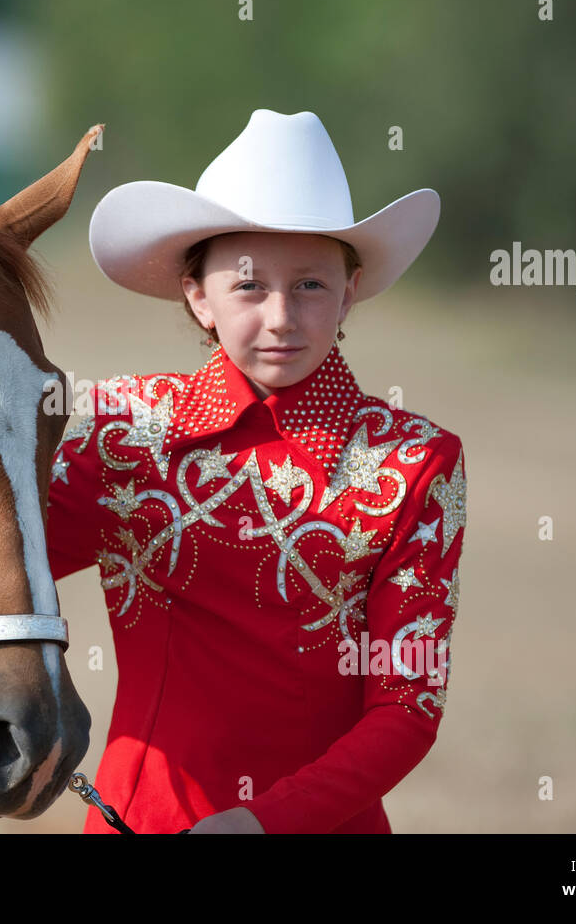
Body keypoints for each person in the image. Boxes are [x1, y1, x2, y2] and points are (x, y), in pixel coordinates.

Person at [45, 109, 467, 834]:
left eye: (309, 284)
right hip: (140, 821)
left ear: (350, 290)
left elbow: (408, 705)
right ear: (197, 295)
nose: (281, 316)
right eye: (248, 286)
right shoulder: (125, 435)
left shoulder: (413, 464)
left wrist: (263, 823)